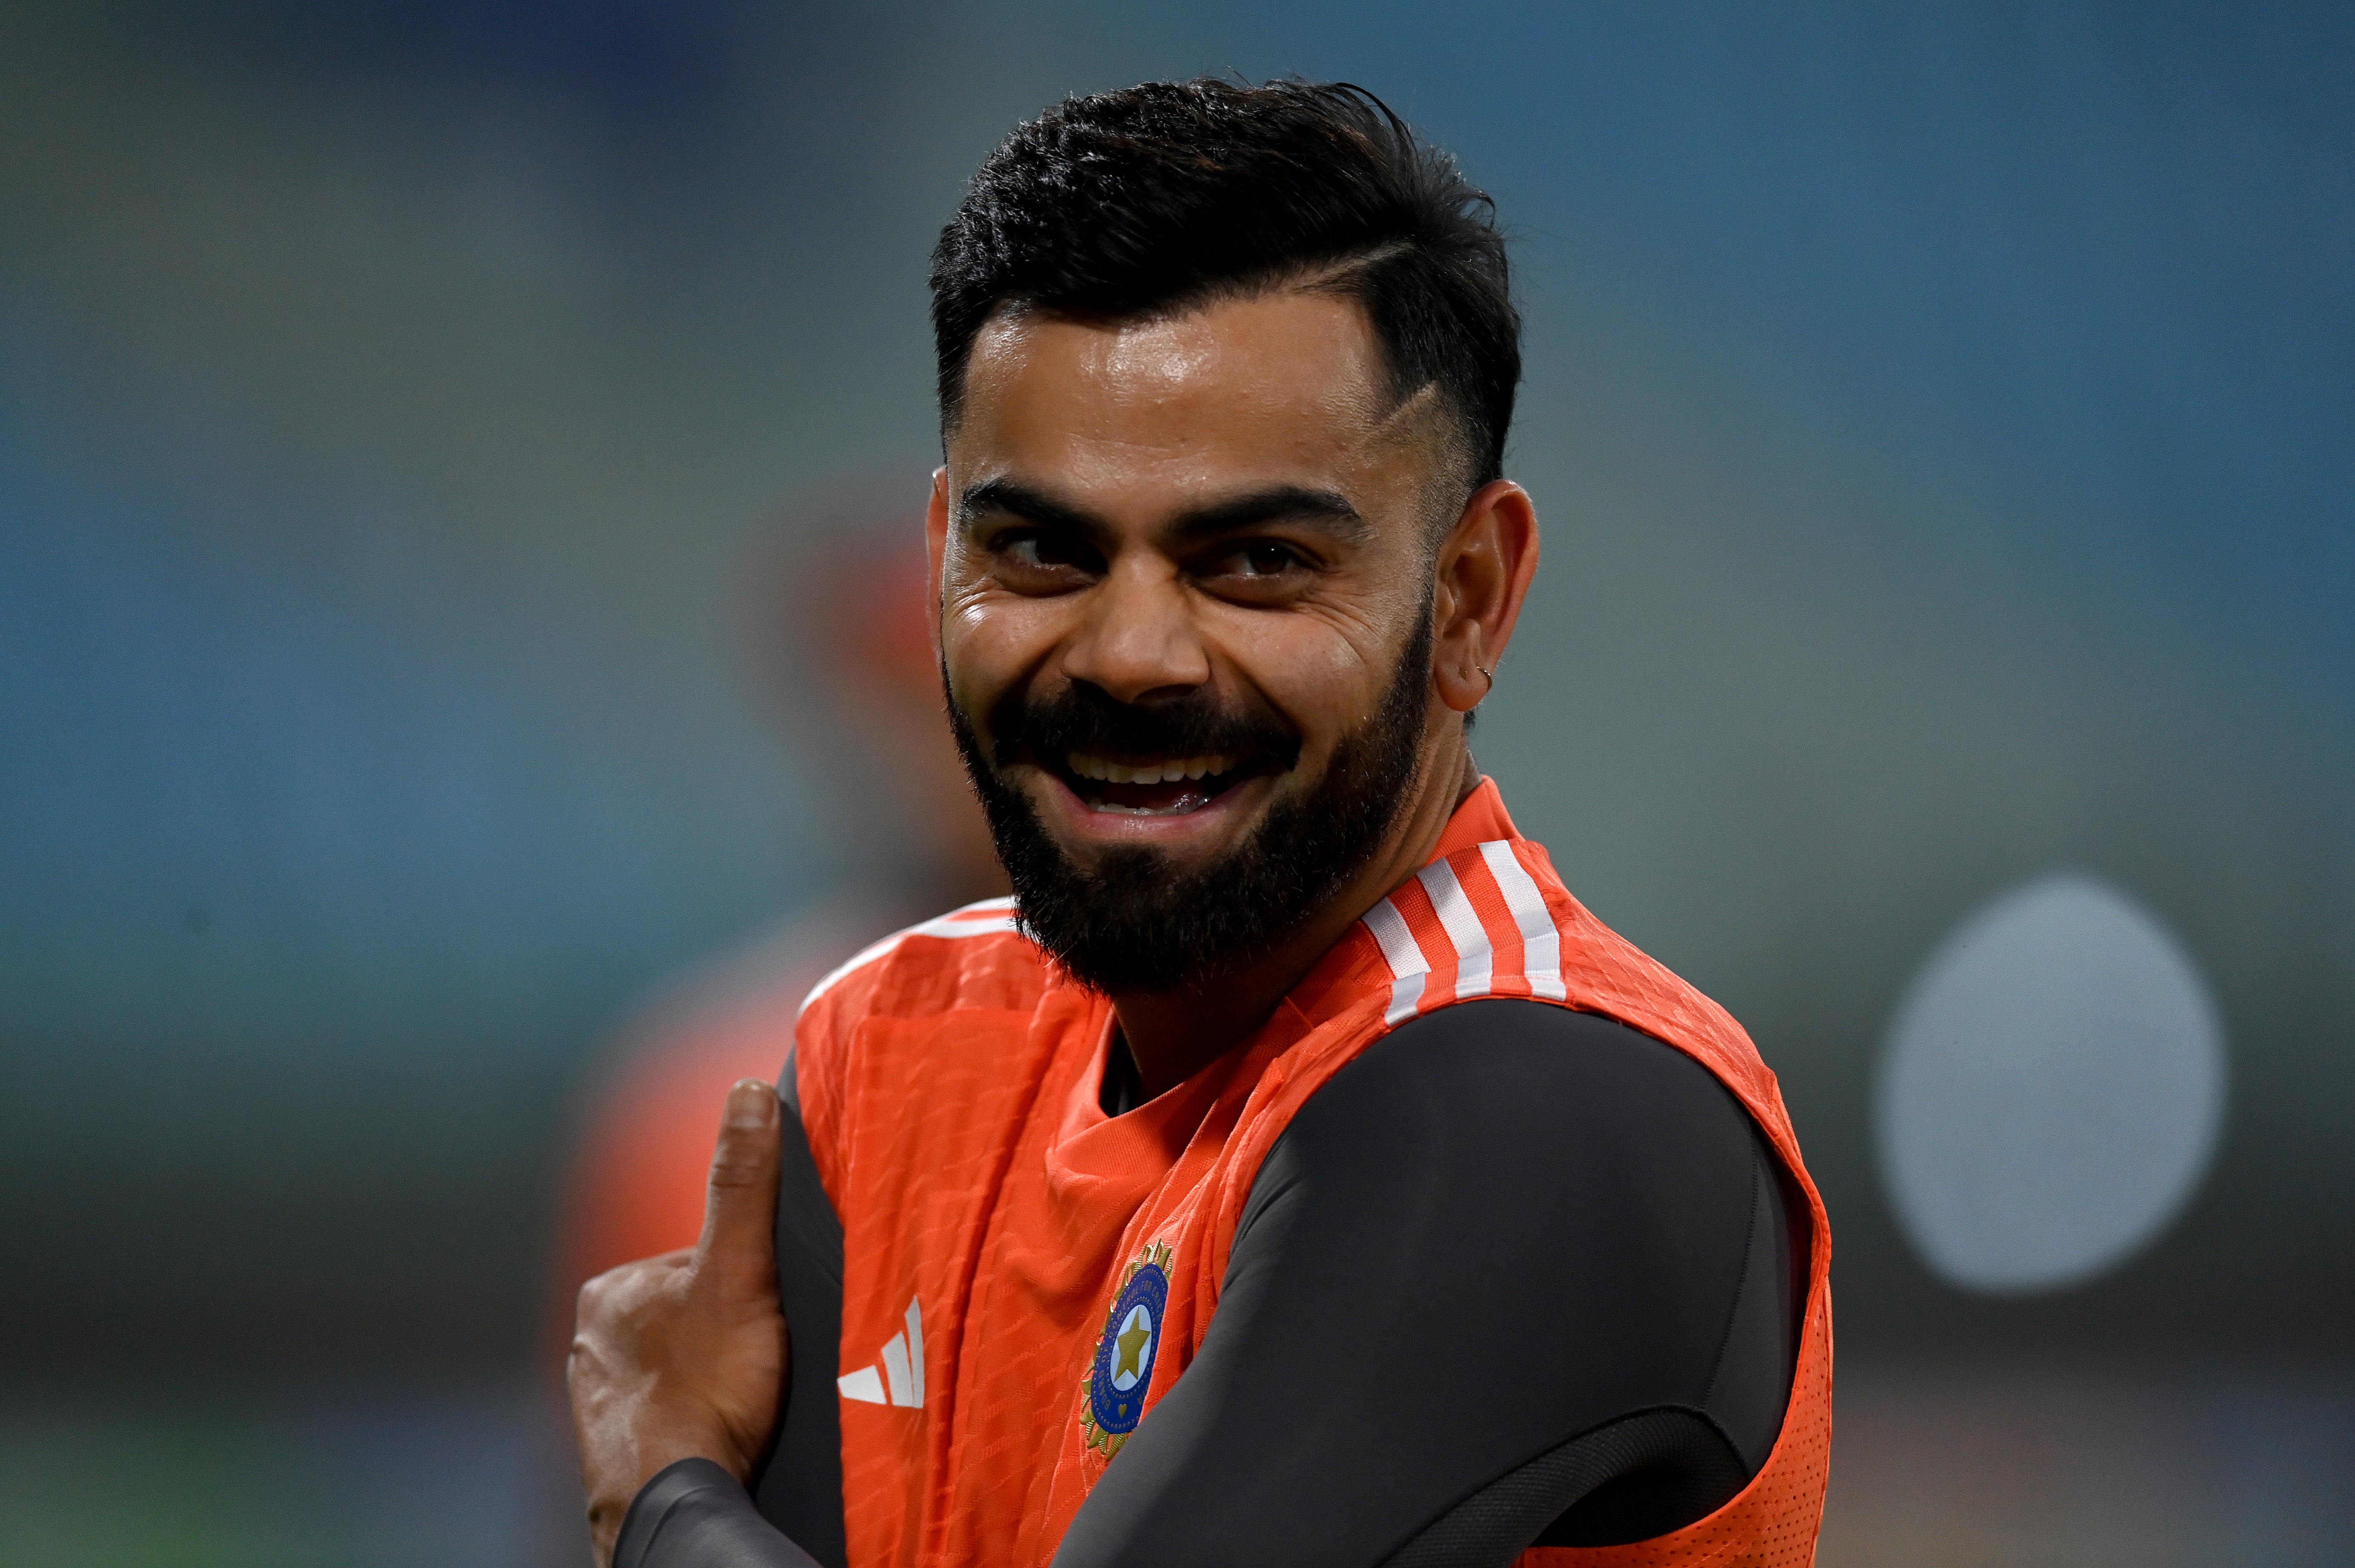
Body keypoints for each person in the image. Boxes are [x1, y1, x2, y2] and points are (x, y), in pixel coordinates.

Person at [567, 79, 1832, 1568]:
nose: (1130, 657)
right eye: (1041, 551)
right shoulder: (887, 1058)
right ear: (942, 555)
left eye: (1257, 561)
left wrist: (663, 1493)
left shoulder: (1552, 1112)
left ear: (1472, 598)